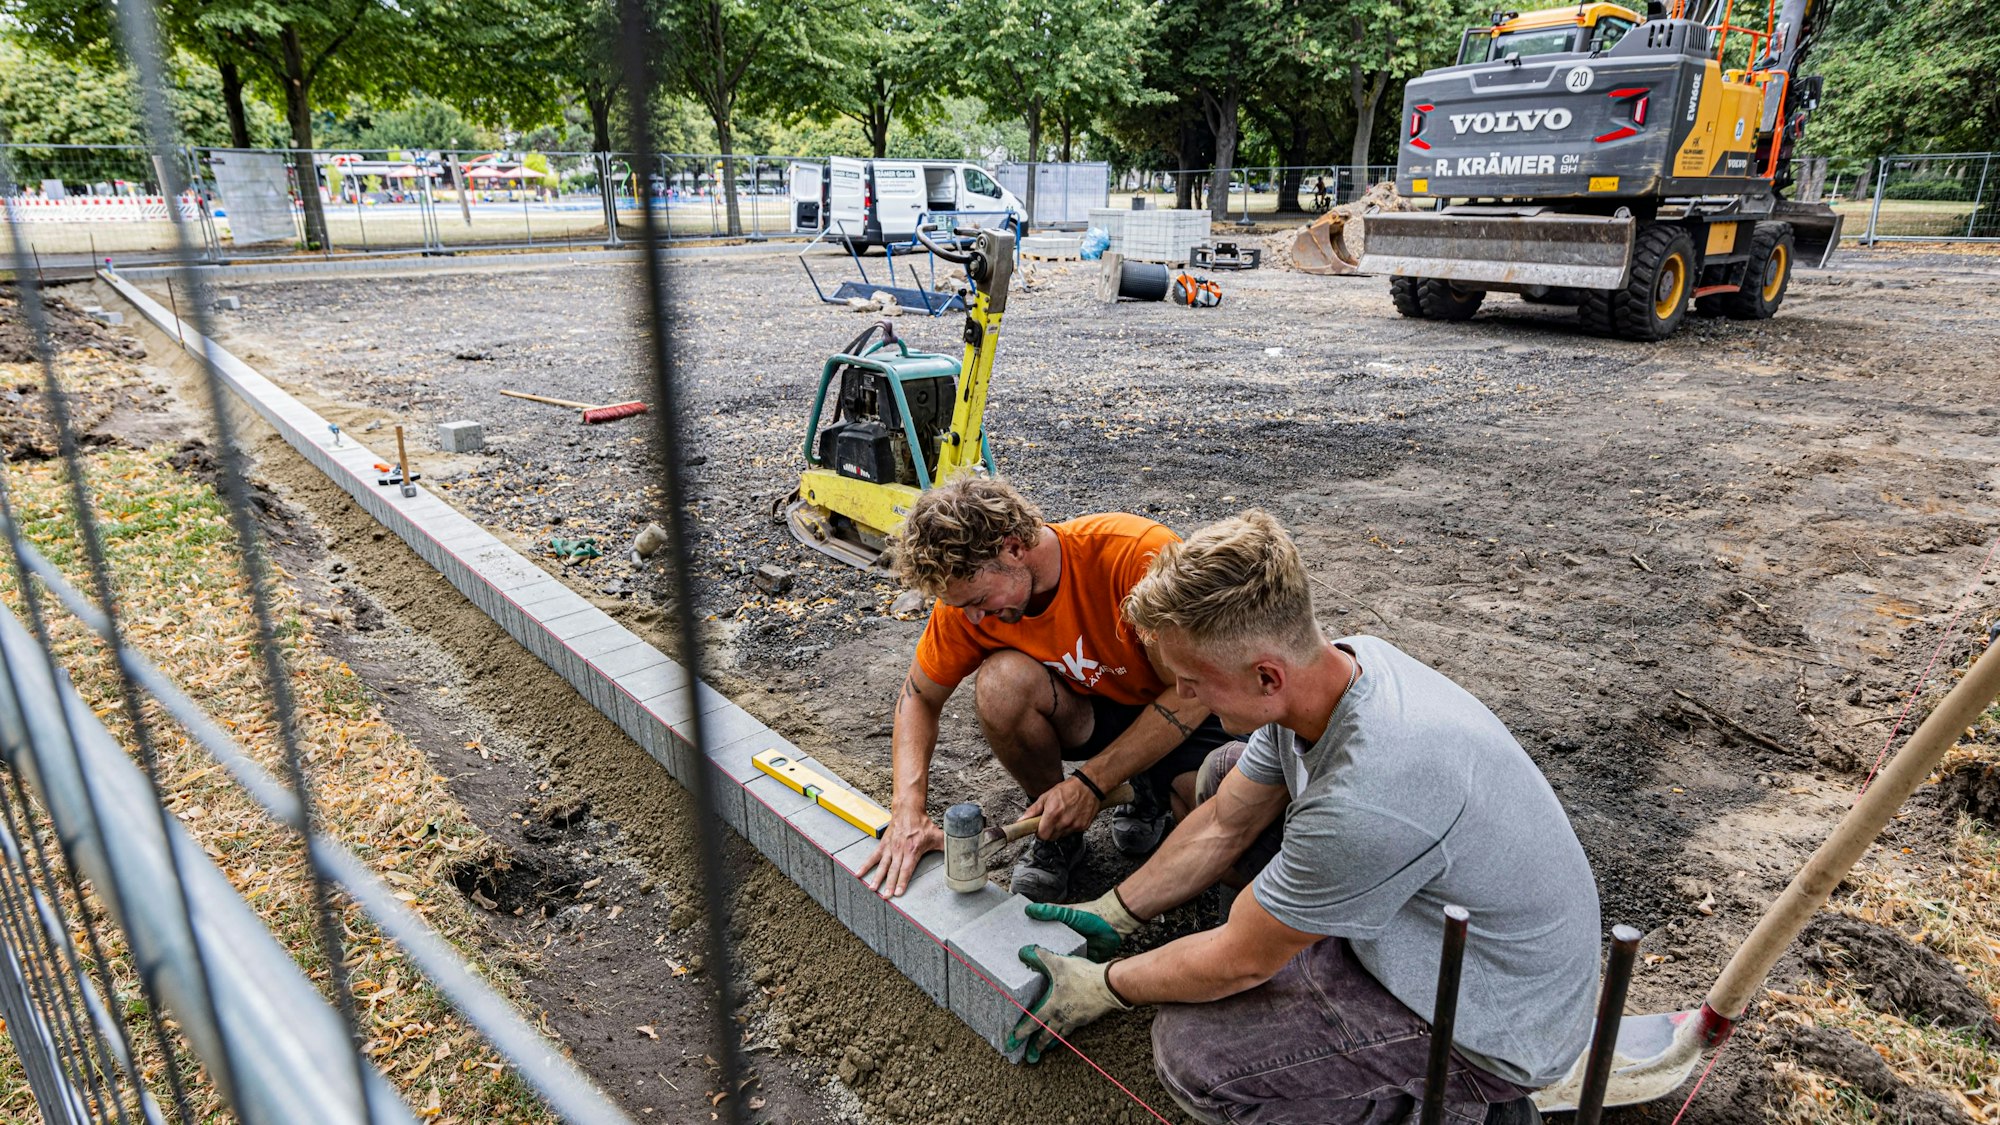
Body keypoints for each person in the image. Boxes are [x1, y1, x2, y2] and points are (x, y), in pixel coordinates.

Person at [1011, 511, 1601, 1125]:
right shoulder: (1342, 668)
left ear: (1267, 674)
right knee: (1223, 773)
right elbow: (1224, 823)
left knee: (1199, 1055)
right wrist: (1115, 911)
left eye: (1191, 680)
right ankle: (1291, 931)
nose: (1182, 698)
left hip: (1490, 1020)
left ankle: (1465, 1111)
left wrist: (1105, 983)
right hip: (1438, 919)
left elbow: (1243, 959)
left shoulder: (1368, 791)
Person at [858, 476, 1236, 902]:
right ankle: (1058, 827)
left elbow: (1197, 693)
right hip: (1097, 711)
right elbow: (919, 698)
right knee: (1001, 685)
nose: (977, 618)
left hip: (1183, 707)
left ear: (1014, 548)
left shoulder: (1136, 554)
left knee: (1220, 818)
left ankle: (1149, 792)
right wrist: (907, 808)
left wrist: (1092, 783)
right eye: (965, 607)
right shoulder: (968, 607)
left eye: (980, 600)